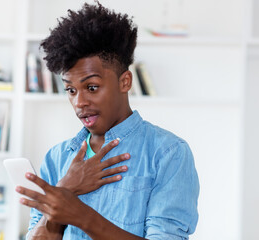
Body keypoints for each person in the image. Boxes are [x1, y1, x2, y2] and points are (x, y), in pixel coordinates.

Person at [16, 2, 199, 239]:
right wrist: (65, 189)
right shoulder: (57, 158)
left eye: (92, 87)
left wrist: (80, 214)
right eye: (71, 90)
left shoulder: (168, 153)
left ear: (125, 82)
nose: (79, 102)